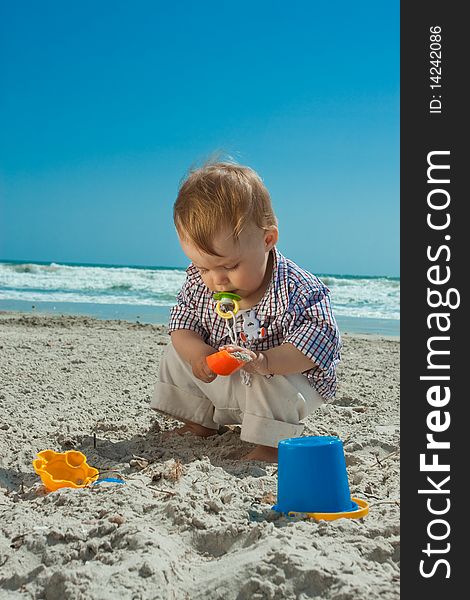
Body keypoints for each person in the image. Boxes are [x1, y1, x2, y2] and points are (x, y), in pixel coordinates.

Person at [151, 162, 341, 462]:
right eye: (203, 267)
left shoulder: (297, 289)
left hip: (284, 383)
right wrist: (199, 355)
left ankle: (270, 445)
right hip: (227, 382)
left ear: (267, 240)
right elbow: (182, 323)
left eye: (229, 266)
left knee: (270, 378)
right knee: (176, 353)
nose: (217, 279)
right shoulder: (199, 282)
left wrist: (266, 361)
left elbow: (320, 340)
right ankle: (198, 421)